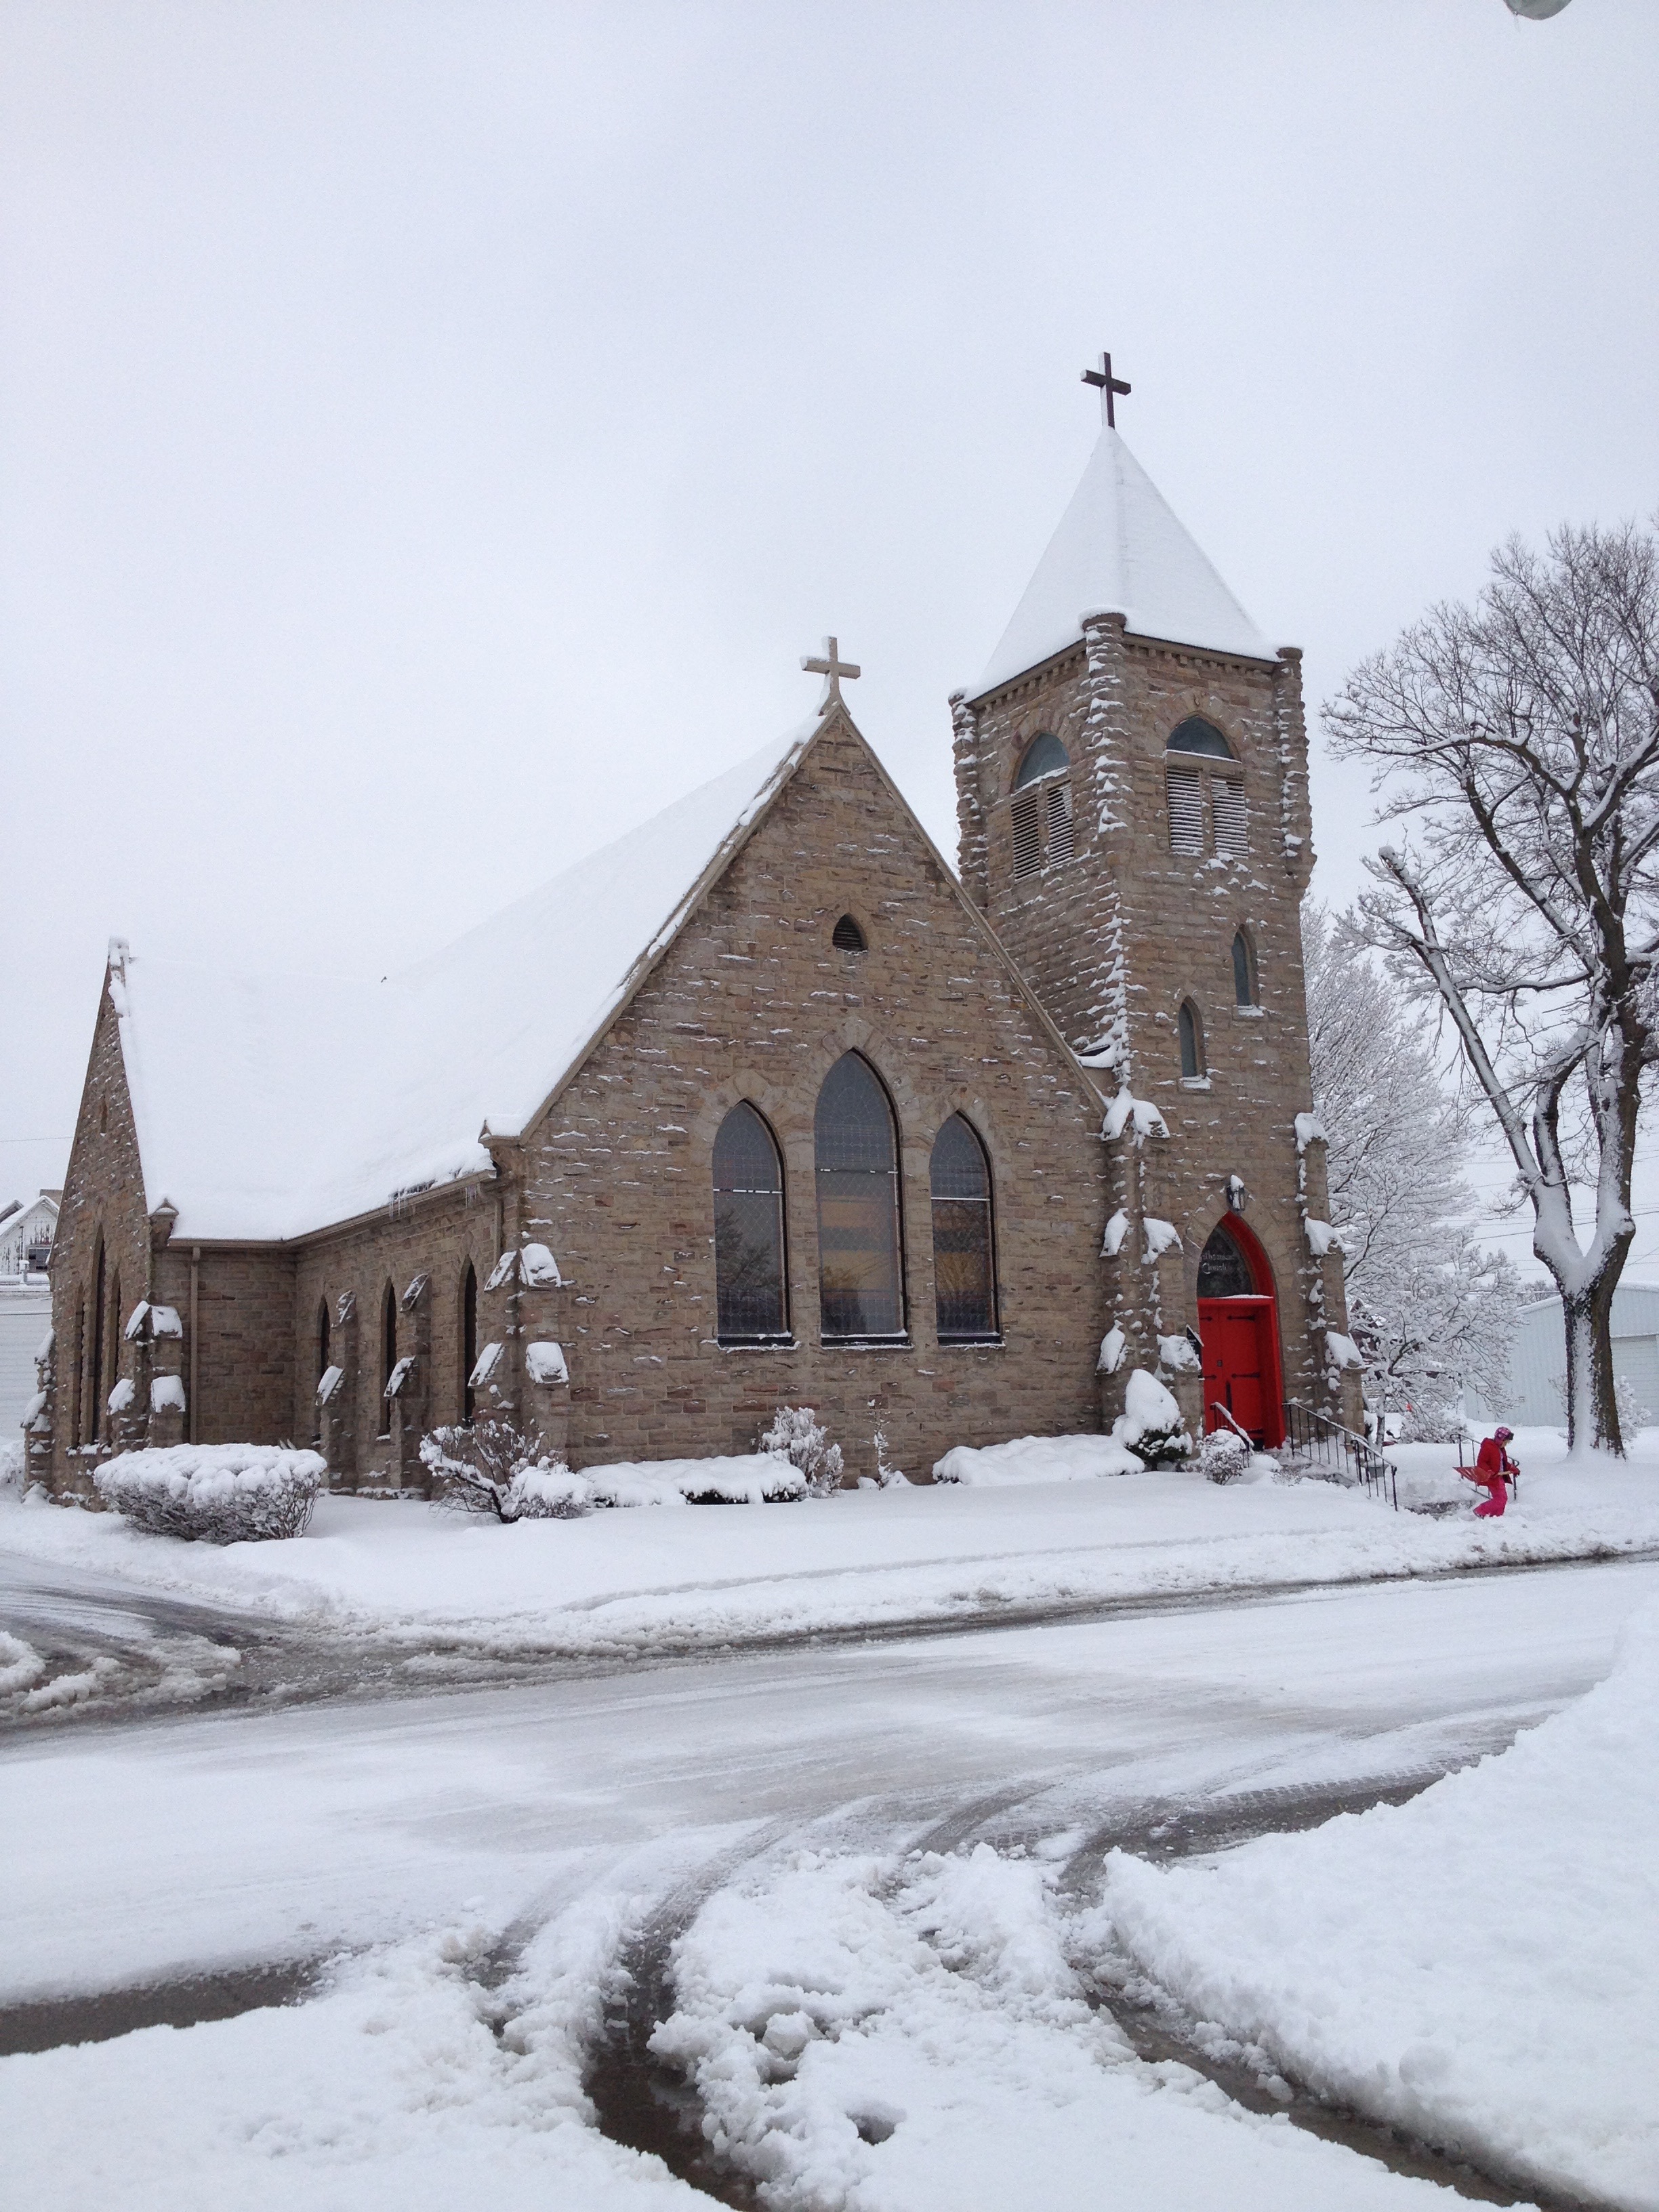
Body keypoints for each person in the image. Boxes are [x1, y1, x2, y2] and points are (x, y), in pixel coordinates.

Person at [1460, 1427, 1519, 1517]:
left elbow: (1502, 1463)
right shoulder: (1488, 1447)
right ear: (1500, 1439)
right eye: (1506, 1442)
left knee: (1502, 1499)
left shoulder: (1500, 1449)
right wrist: (1489, 1471)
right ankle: (1480, 1510)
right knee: (1501, 1499)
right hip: (1492, 1478)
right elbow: (1481, 1462)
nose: (1506, 1445)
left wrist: (1512, 1468)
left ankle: (1496, 1516)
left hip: (1499, 1476)